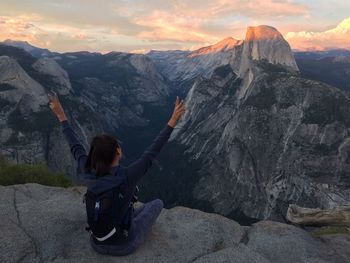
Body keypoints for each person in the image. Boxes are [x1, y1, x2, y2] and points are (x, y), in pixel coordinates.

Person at [48, 92, 186, 256]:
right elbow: (152, 151)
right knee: (156, 204)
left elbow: (75, 146)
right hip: (124, 246)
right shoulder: (126, 177)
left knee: (131, 211)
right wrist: (173, 121)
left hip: (96, 243)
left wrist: (61, 116)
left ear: (93, 155)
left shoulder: (87, 169)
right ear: (118, 152)